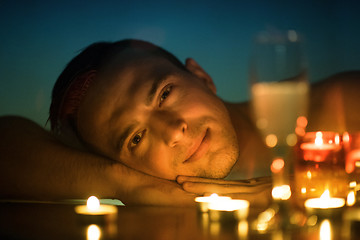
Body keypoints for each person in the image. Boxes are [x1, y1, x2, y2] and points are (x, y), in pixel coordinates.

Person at [1, 39, 359, 207]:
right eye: (136, 139)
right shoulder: (150, 193)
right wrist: (125, 185)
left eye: (164, 94)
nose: (172, 130)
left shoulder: (340, 110)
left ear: (201, 77)